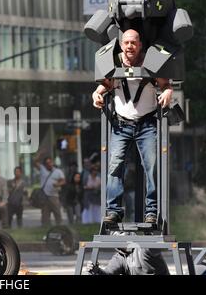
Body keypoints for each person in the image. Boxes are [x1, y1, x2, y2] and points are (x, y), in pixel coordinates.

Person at [92, 29, 173, 224]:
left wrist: (168, 92)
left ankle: (151, 212)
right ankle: (114, 211)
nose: (130, 47)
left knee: (151, 168)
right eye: (126, 43)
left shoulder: (151, 62)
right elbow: (104, 86)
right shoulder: (114, 63)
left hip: (147, 124)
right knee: (114, 166)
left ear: (140, 45)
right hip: (122, 125)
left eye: (133, 43)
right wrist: (96, 93)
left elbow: (166, 85)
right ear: (121, 45)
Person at [86, 233, 170, 275]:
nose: (120, 236)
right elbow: (108, 273)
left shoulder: (144, 248)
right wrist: (96, 270)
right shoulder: (119, 257)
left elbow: (154, 248)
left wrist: (152, 234)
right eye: (116, 235)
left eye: (122, 233)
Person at [34, 156, 66, 227]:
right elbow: (35, 162)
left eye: (50, 162)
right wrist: (40, 154)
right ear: (45, 164)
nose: (49, 164)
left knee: (57, 212)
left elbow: (63, 181)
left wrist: (58, 184)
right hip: (44, 196)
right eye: (47, 163)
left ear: (52, 162)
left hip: (54, 196)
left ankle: (60, 226)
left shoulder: (58, 171)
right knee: (45, 214)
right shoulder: (42, 169)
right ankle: (45, 226)